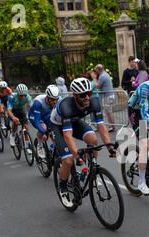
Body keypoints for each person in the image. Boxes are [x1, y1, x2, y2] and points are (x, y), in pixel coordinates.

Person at [50, 77, 116, 207]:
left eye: (89, 93)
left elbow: (101, 126)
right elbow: (68, 135)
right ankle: (62, 186)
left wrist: (109, 146)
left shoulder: (94, 102)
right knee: (68, 160)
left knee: (93, 139)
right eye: (83, 95)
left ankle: (92, 168)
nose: (87, 97)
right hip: (58, 126)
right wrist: (76, 155)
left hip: (75, 122)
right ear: (75, 96)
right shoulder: (66, 106)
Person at [28, 85, 61, 159]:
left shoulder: (59, 100)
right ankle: (39, 145)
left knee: (53, 132)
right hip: (34, 116)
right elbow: (37, 121)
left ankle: (54, 147)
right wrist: (45, 131)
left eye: (56, 99)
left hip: (46, 116)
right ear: (47, 97)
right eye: (52, 100)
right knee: (43, 127)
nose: (55, 102)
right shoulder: (38, 102)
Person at [7, 84, 33, 152]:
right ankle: (12, 135)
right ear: (18, 94)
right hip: (13, 110)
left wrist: (32, 116)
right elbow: (9, 110)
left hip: (21, 110)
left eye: (24, 95)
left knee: (26, 125)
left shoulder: (28, 97)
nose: (23, 97)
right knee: (15, 122)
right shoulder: (12, 97)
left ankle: (27, 144)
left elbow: (32, 108)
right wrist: (13, 117)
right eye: (21, 95)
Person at [95, 64, 116, 133]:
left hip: (107, 96)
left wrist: (94, 78)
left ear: (99, 69)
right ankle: (112, 126)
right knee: (109, 111)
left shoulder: (102, 76)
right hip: (110, 95)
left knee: (108, 112)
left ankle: (112, 126)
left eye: (96, 70)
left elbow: (97, 86)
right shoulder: (105, 74)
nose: (96, 71)